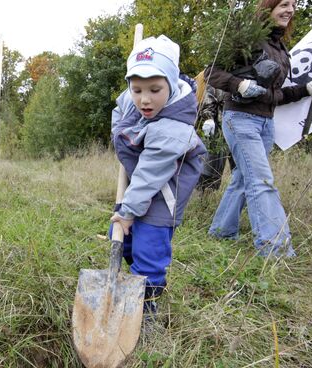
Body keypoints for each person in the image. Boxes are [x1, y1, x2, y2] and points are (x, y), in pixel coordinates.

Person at [204, 0, 312, 257]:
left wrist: (306, 89)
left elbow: (274, 95)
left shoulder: (281, 50)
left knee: (243, 178)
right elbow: (211, 72)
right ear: (269, 8)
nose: (290, 9)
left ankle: (221, 231)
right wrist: (239, 85)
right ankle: (275, 248)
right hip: (240, 119)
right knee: (261, 181)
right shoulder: (248, 39)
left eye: (294, 5)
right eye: (284, 4)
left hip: (266, 122)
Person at [110, 35, 207, 320]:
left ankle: (147, 302)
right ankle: (130, 279)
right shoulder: (135, 100)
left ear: (171, 84)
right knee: (122, 237)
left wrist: (128, 210)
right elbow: (121, 106)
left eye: (154, 89)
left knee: (149, 245)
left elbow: (152, 172)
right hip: (139, 184)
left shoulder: (173, 126)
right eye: (137, 89)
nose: (144, 99)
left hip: (163, 192)